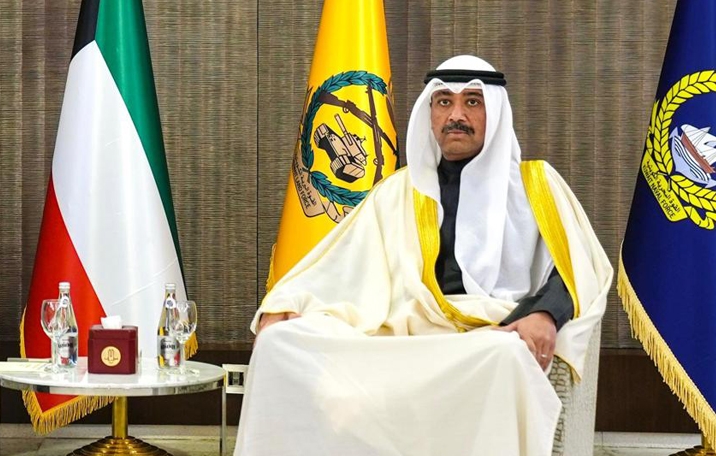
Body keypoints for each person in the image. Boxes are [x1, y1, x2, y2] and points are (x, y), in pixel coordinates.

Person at [235, 55, 611, 456]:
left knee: (506, 355)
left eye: (472, 102)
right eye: (444, 102)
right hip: (404, 336)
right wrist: (285, 302)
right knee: (280, 342)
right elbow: (338, 263)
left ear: (495, 111)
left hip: (483, 338)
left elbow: (576, 267)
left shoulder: (535, 184)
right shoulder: (400, 190)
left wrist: (544, 314)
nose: (456, 115)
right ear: (430, 114)